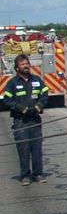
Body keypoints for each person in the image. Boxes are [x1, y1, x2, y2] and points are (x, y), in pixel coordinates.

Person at [2, 54, 49, 185]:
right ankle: (25, 175)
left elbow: (44, 94)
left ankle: (38, 174)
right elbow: (7, 99)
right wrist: (21, 108)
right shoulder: (12, 83)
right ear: (17, 68)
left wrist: (38, 106)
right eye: (22, 64)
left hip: (35, 119)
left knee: (36, 148)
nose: (26, 66)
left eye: (27, 63)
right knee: (23, 148)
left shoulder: (36, 80)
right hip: (21, 121)